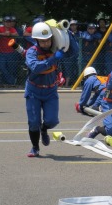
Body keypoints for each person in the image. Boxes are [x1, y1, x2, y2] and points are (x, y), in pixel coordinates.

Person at [25, 21, 79, 157]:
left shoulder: (56, 49)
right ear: (36, 40)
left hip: (50, 91)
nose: (46, 43)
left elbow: (74, 52)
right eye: (42, 41)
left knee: (52, 121)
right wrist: (53, 58)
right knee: (33, 122)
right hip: (34, 91)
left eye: (48, 40)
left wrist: (69, 36)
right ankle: (35, 147)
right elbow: (36, 67)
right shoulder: (31, 52)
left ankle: (44, 129)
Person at [0, 15, 19, 85]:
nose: (8, 23)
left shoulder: (12, 29)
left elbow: (16, 34)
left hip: (11, 52)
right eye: (6, 22)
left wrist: (10, 34)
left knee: (11, 69)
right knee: (2, 67)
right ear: (3, 22)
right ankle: (11, 81)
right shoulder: (0, 28)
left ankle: (7, 82)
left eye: (9, 22)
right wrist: (3, 34)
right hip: (1, 53)